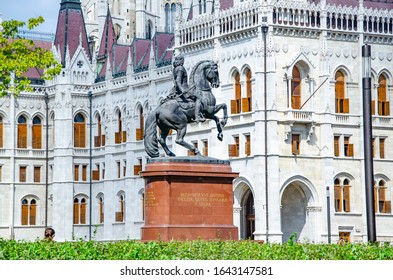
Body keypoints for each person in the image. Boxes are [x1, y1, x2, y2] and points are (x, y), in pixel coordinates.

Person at [172, 55, 205, 123]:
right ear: (180, 60)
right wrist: (183, 90)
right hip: (183, 89)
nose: (183, 61)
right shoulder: (180, 68)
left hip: (176, 90)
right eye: (182, 60)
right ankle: (197, 116)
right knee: (198, 97)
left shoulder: (175, 69)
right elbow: (178, 81)